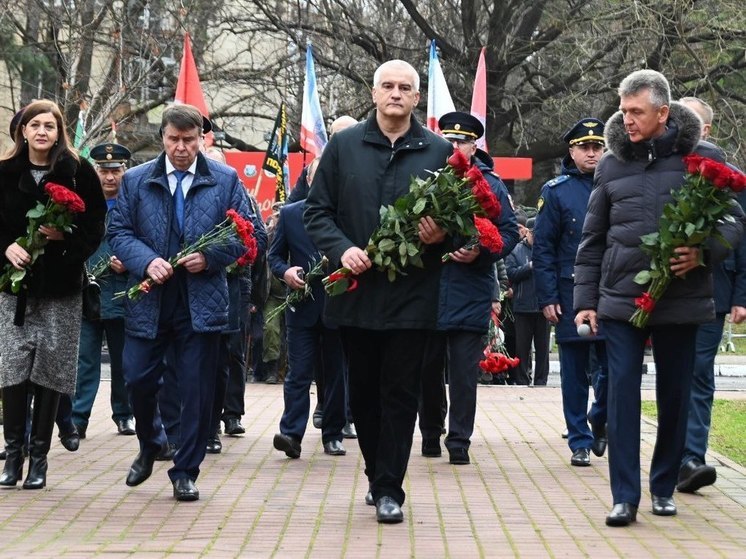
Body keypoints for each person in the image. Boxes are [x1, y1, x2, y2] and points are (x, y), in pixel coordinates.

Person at [573, 70, 744, 527]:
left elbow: (732, 223)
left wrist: (704, 251)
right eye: (624, 110)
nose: (626, 120)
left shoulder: (703, 157)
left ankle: (664, 485)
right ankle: (624, 497)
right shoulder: (610, 164)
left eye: (636, 112)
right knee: (622, 395)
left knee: (675, 395)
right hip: (621, 298)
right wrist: (584, 300)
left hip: (682, 297)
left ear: (663, 113)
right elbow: (593, 239)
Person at [304, 59, 453, 524]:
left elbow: (463, 224)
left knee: (401, 393)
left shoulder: (439, 152)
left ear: (416, 97)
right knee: (364, 394)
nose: (395, 94)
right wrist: (342, 249)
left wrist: (441, 234)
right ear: (373, 93)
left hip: (414, 294)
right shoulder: (343, 147)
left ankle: (390, 487)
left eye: (404, 87)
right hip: (356, 294)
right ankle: (376, 472)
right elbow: (316, 214)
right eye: (387, 86)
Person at [108, 104, 264, 502]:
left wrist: (211, 257)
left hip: (202, 299)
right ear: (163, 137)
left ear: (201, 139)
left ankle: (186, 471)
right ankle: (151, 442)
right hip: (151, 297)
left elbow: (251, 237)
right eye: (174, 140)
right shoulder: (137, 180)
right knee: (138, 378)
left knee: (196, 389)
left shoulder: (226, 180)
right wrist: (147, 261)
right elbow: (120, 231)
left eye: (189, 140)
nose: (181, 148)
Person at [0, 99, 106, 489]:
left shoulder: (78, 172)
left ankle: (40, 460)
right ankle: (13, 456)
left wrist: (67, 238)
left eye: (50, 126)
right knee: (12, 369)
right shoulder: (5, 173)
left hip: (61, 288)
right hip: (15, 290)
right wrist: (6, 248)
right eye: (35, 125)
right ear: (23, 131)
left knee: (51, 370)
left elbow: (96, 224)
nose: (42, 132)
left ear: (60, 132)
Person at [419, 111, 518, 465]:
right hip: (427, 290)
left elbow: (509, 233)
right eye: (449, 141)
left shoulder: (491, 185)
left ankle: (459, 439)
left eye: (462, 141)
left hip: (470, 288)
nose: (455, 146)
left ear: (475, 146)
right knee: (427, 370)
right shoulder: (426, 179)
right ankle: (431, 431)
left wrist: (481, 251)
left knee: (463, 373)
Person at [676, 97, 746, 493]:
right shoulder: (660, 165)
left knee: (699, 374)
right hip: (663, 288)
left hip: (713, 290)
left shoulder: (732, 178)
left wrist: (741, 294)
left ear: (706, 131)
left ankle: (692, 458)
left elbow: (742, 239)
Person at [533, 117, 609, 467]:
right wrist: (547, 297)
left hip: (613, 291)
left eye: (598, 147)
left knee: (612, 368)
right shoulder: (557, 190)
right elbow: (543, 249)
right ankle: (579, 439)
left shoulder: (618, 181)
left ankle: (600, 417)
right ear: (572, 151)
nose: (592, 153)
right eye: (585, 147)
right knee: (574, 372)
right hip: (570, 292)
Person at [269, 179, 347, 458]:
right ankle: (291, 434)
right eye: (317, 176)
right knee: (298, 373)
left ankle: (333, 434)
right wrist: (286, 272)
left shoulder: (347, 212)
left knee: (336, 374)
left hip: (339, 307)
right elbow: (274, 256)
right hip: (302, 308)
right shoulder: (291, 214)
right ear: (309, 181)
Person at [68, 141, 136, 439]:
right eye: (103, 171)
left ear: (125, 171)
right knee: (85, 361)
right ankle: (78, 418)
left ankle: (124, 415)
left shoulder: (134, 205)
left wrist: (131, 262)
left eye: (116, 170)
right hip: (88, 292)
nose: (109, 177)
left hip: (123, 294)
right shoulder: (82, 204)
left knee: (124, 362)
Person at [505, 217, 551, 385]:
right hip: (522, 307)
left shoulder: (547, 250)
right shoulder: (516, 250)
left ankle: (541, 381)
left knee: (543, 349)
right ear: (528, 233)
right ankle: (522, 380)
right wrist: (529, 267)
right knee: (522, 348)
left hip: (543, 307)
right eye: (534, 234)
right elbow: (511, 273)